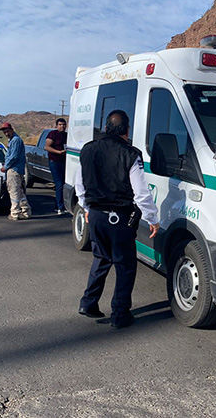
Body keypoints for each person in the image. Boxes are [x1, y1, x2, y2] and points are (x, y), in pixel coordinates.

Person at [77, 110, 160, 329]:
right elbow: (141, 192)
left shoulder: (87, 149)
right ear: (127, 130)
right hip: (118, 218)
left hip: (95, 215)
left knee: (101, 258)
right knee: (124, 265)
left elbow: (80, 184)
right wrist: (152, 218)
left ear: (106, 128)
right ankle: (120, 314)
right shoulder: (130, 153)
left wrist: (86, 207)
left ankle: (88, 303)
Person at [0, 122, 32, 220]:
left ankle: (15, 212)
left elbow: (14, 156)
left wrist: (5, 166)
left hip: (14, 169)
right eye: (4, 132)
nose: (6, 133)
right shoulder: (12, 140)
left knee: (13, 191)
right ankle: (26, 211)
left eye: (7, 131)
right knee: (19, 191)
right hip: (16, 169)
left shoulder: (16, 140)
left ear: (12, 129)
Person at [45, 118, 68, 215]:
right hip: (54, 162)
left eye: (63, 124)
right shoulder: (52, 134)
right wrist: (58, 152)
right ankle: (60, 207)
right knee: (59, 184)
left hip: (64, 162)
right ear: (56, 125)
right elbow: (47, 147)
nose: (62, 126)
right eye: (60, 124)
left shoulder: (66, 135)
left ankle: (57, 206)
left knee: (62, 184)